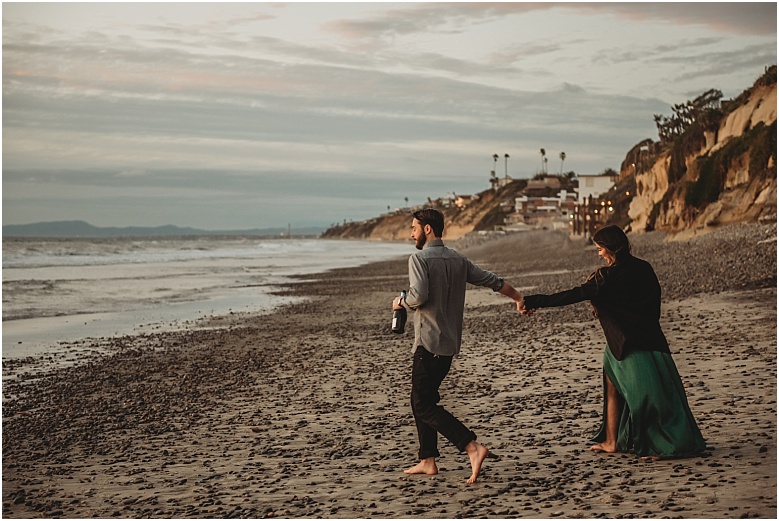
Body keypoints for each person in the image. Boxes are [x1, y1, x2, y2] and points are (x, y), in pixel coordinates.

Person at [521, 225, 706, 459]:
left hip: (628, 345)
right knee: (614, 388)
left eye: (599, 249)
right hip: (646, 338)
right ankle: (611, 441)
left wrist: (532, 301)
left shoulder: (607, 277)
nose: (598, 253)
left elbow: (573, 294)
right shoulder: (644, 268)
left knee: (645, 397)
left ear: (609, 248)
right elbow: (653, 301)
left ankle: (661, 445)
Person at [392, 208, 525, 484]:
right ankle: (428, 459)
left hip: (428, 344)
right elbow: (492, 281)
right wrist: (518, 298)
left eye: (414, 227)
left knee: (422, 404)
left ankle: (472, 447)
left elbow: (419, 296)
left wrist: (400, 303)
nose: (411, 233)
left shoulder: (418, 258)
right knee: (423, 400)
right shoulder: (458, 260)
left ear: (428, 229)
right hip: (449, 346)